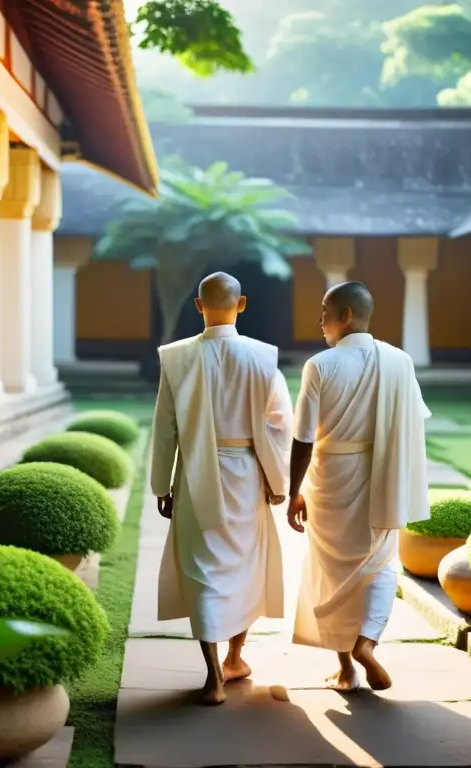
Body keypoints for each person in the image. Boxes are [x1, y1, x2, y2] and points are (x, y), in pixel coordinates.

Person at [151, 271, 292, 706]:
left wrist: (162, 483)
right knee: (242, 567)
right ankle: (236, 656)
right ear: (242, 304)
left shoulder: (176, 358)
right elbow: (279, 424)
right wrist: (276, 478)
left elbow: (165, 428)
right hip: (247, 473)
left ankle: (214, 674)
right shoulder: (263, 357)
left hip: (196, 475)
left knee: (202, 570)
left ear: (198, 306)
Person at [287, 281, 431, 691]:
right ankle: (366, 644)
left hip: (330, 478)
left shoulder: (321, 365)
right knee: (381, 564)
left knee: (334, 571)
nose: (320, 320)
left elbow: (302, 439)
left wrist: (293, 490)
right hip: (383, 475)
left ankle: (347, 668)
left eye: (325, 310)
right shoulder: (400, 361)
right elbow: (413, 420)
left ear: (345, 316)